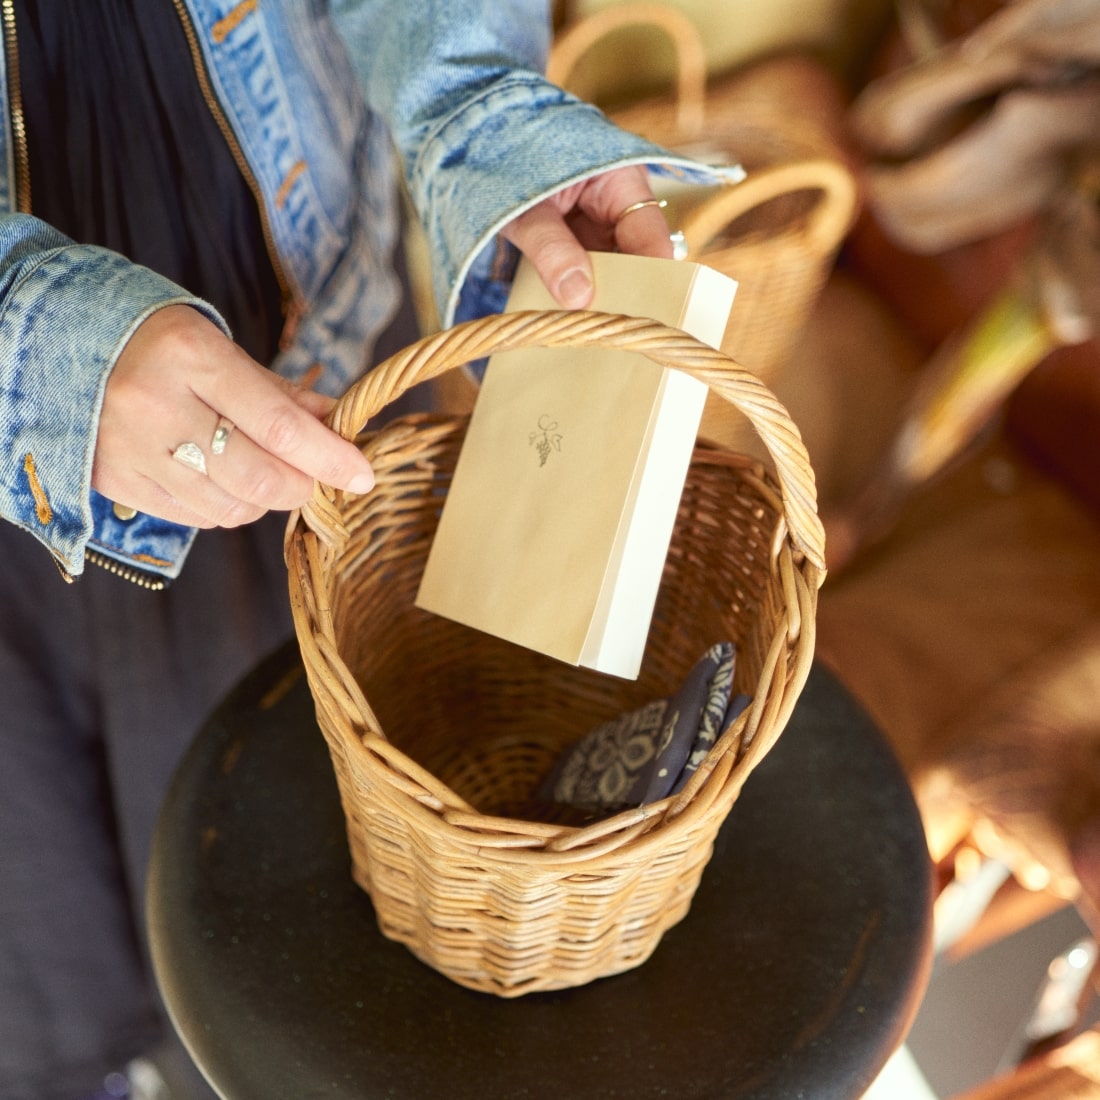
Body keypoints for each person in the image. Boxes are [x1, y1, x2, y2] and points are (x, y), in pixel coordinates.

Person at [0, 3, 732, 1098]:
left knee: (284, 867)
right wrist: (32, 349)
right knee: (53, 910)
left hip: (306, 297)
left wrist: (480, 111)